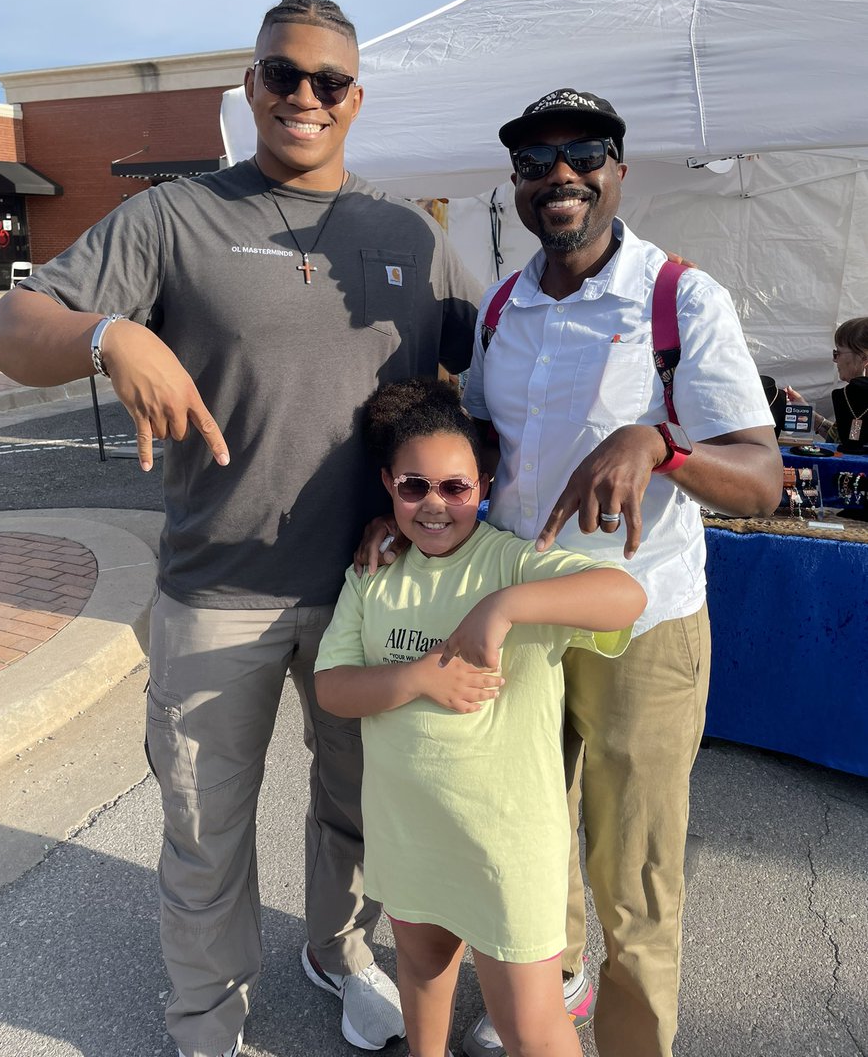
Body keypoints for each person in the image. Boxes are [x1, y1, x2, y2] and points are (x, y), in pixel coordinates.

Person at [0, 0, 480, 1057]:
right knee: (206, 830)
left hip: (364, 593)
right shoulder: (173, 219)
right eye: (281, 75)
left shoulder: (409, 237)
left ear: (356, 98)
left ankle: (337, 953)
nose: (304, 97)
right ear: (249, 87)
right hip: (219, 592)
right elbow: (9, 331)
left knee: (358, 812)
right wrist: (112, 333)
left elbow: (447, 399)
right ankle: (207, 1021)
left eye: (328, 82)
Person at [357, 88, 782, 1057]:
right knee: (525, 855)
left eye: (583, 153)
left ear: (618, 171)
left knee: (632, 885)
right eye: (536, 161)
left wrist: (661, 445)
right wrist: (409, 518)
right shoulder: (505, 307)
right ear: (514, 185)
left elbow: (761, 481)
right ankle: (549, 1006)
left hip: (643, 628)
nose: (561, 175)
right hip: (520, 623)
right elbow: (493, 458)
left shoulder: (680, 299)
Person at [315, 377, 646, 1057]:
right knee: (423, 976)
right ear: (388, 485)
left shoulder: (507, 564)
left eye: (455, 488)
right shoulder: (373, 573)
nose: (433, 505)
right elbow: (333, 688)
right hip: (410, 835)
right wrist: (420, 676)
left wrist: (504, 608)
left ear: (483, 485)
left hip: (506, 849)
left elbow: (624, 596)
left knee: (530, 1025)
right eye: (414, 487)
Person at [784, 316, 868, 443]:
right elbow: (851, 440)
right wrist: (808, 414)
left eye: (838, 353)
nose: (835, 359)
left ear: (863, 358)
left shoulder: (848, 397)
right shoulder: (850, 399)